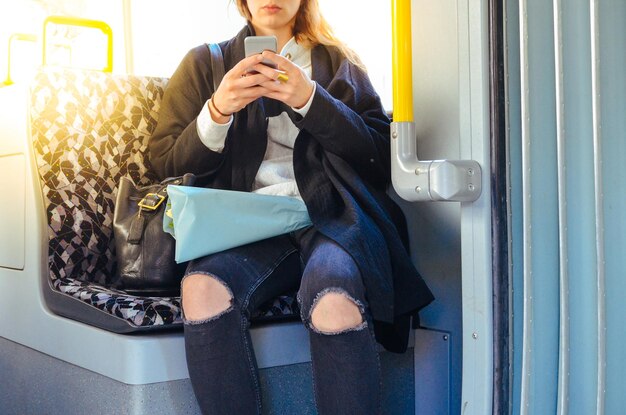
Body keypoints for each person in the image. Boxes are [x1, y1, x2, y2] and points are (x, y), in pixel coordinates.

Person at [149, 0, 434, 413]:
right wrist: (218, 110)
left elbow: (376, 156)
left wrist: (310, 100)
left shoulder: (338, 62)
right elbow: (166, 163)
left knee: (335, 301)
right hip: (244, 227)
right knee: (202, 288)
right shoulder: (204, 64)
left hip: (329, 219)